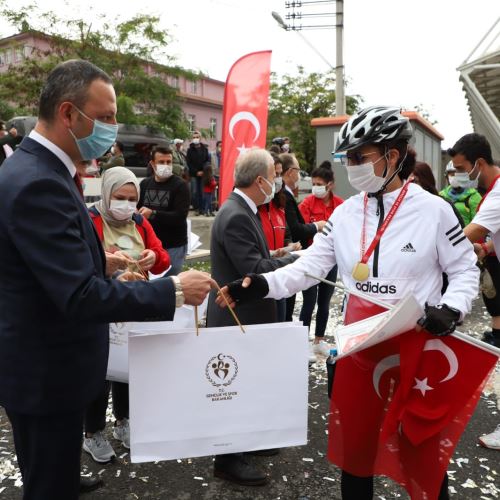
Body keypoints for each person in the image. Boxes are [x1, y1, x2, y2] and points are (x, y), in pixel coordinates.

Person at [217, 106, 479, 499]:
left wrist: (453, 308)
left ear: (392, 155)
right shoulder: (345, 213)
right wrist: (259, 285)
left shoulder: (434, 210)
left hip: (416, 346)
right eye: (348, 158)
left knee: (422, 452)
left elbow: (464, 270)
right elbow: (307, 269)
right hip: (361, 349)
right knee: (356, 454)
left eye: (360, 157)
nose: (351, 166)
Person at [0, 59, 214, 500]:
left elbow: (44, 264)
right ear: (67, 113)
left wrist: (101, 260)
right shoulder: (38, 180)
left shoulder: (42, 169)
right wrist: (174, 290)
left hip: (45, 367)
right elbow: (78, 297)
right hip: (46, 375)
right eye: (106, 117)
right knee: (50, 487)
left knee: (53, 474)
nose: (115, 128)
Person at [206, 148, 297, 486]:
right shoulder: (237, 215)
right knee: (235, 390)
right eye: (273, 176)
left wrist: (277, 254)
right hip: (237, 317)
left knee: (246, 386)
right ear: (260, 180)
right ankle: (228, 459)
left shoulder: (241, 210)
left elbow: (254, 259)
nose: (276, 182)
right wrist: (298, 261)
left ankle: (245, 444)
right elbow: (253, 271)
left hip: (245, 317)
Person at [83, 166, 171, 462]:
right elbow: (82, 264)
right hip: (102, 305)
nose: (126, 204)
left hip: (133, 306)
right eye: (120, 197)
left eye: (132, 198)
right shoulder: (89, 219)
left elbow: (162, 258)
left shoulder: (139, 222)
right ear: (106, 194)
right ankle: (93, 432)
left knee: (128, 369)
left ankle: (124, 422)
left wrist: (154, 256)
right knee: (100, 372)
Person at [298, 166, 343, 357]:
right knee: (309, 302)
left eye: (320, 184)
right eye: (313, 184)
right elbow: (301, 230)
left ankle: (319, 340)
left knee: (324, 302)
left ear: (330, 185)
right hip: (310, 259)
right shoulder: (307, 203)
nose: (316, 187)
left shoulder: (340, 205)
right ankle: (301, 342)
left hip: (331, 261)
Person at [280, 153, 327, 326]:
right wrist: (317, 226)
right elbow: (295, 228)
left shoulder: (338, 203)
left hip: (306, 252)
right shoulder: (289, 196)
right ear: (291, 172)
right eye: (298, 170)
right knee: (291, 305)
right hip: (296, 254)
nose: (299, 175)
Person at [138, 146, 190, 276]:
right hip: (150, 245)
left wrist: (153, 214)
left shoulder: (180, 186)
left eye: (169, 162)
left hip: (173, 246)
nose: (166, 165)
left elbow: (179, 216)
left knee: (169, 284)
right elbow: (137, 209)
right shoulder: (144, 184)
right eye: (161, 162)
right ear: (152, 164)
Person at [439, 159, 482, 226]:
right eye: (452, 174)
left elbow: (479, 225)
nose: (455, 177)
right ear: (447, 176)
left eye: (459, 174)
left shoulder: (474, 197)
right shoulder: (441, 195)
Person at [186, 130, 210, 213]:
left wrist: (203, 171)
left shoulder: (205, 149)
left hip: (203, 174)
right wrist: (196, 172)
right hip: (194, 174)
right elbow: (188, 163)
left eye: (197, 137)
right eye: (194, 137)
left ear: (200, 138)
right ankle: (196, 208)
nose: (195, 138)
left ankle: (202, 209)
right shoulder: (189, 150)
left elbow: (207, 161)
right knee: (194, 192)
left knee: (202, 192)